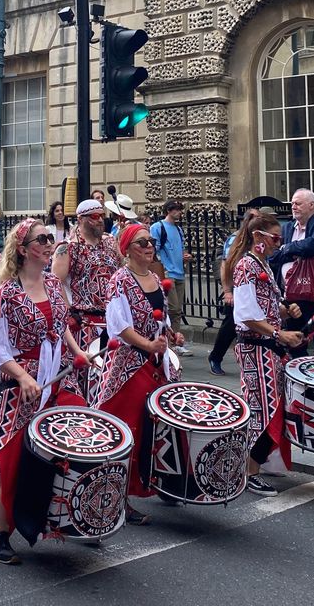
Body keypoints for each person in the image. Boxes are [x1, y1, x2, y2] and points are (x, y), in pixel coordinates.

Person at [0, 218, 89, 564]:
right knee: (10, 458)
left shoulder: (55, 284)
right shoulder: (6, 293)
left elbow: (61, 324)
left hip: (57, 378)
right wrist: (22, 377)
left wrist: (78, 350)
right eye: (41, 238)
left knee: (78, 438)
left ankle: (62, 518)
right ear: (24, 249)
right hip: (21, 383)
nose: (49, 241)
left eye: (49, 237)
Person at [94, 224, 182, 524]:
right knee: (128, 429)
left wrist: (171, 335)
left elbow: (161, 318)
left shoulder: (155, 279)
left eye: (151, 241)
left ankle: (158, 481)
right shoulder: (120, 280)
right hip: (130, 367)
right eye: (142, 242)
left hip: (156, 364)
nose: (149, 246)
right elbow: (119, 326)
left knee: (156, 428)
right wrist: (148, 344)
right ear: (128, 248)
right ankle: (119, 498)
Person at [227, 211, 303, 496]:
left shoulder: (263, 264)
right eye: (273, 238)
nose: (277, 244)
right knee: (262, 411)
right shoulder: (246, 266)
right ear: (258, 236)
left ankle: (253, 465)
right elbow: (246, 314)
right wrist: (278, 332)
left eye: (279, 239)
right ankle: (249, 471)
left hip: (268, 349)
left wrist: (286, 310)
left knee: (273, 408)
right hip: (256, 349)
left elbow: (264, 306)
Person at [52, 199, 121, 397]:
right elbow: (55, 283)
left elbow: (123, 271)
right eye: (95, 217)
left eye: (102, 216)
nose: (100, 221)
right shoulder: (68, 248)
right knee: (88, 374)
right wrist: (70, 311)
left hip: (112, 319)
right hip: (86, 323)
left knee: (112, 371)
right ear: (81, 219)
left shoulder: (109, 241)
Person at [270, 188, 314, 358]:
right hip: (291, 297)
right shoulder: (286, 229)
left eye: (298, 203)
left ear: (311, 205)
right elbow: (273, 256)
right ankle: (299, 380)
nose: (294, 207)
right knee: (295, 341)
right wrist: (293, 250)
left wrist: (288, 248)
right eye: (292, 203)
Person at [208, 208, 260, 376]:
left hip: (255, 287)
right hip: (238, 288)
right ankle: (215, 357)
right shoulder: (235, 239)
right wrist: (227, 291)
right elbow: (226, 265)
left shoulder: (260, 239)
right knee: (230, 325)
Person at [150, 199, 193, 356]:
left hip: (179, 271)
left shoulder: (179, 229)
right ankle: (172, 342)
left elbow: (179, 250)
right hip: (168, 273)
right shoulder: (158, 227)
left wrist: (184, 256)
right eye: (177, 209)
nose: (180, 212)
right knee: (172, 309)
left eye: (180, 209)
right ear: (169, 210)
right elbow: (153, 250)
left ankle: (176, 341)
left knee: (177, 310)